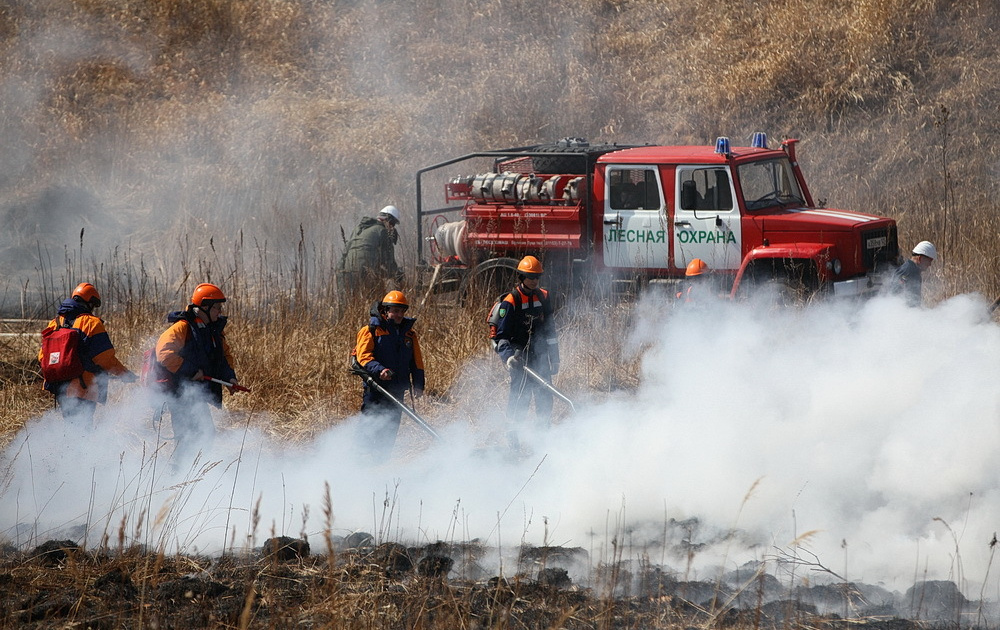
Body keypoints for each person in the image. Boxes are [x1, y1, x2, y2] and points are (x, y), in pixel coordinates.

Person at [151, 283, 239, 464]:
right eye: (217, 308)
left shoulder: (213, 332)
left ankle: (189, 476)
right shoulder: (182, 328)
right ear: (204, 307)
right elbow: (165, 354)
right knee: (189, 438)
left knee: (204, 435)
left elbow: (222, 358)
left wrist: (229, 377)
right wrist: (191, 372)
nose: (219, 312)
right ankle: (177, 478)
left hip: (195, 397)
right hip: (180, 394)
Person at [38, 282, 136, 425]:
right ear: (90, 303)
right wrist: (125, 374)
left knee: (71, 429)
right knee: (82, 432)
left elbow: (42, 356)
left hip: (60, 388)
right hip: (83, 388)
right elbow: (105, 358)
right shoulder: (91, 323)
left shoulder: (54, 323)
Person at [493, 256, 560, 444]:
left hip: (541, 357)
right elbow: (502, 337)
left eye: (537, 277)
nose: (534, 280)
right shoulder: (511, 301)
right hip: (519, 358)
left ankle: (542, 441)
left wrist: (555, 358)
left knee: (545, 398)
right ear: (521, 277)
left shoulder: (543, 296)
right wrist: (508, 359)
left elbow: (550, 331)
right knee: (519, 400)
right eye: (530, 276)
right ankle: (513, 442)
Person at [353, 290, 425, 462]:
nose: (399, 314)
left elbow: (417, 362)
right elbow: (364, 356)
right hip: (376, 388)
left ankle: (382, 462)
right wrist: (380, 370)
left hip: (398, 388)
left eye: (402, 311)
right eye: (395, 310)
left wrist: (418, 384)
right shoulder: (371, 330)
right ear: (385, 311)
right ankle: (361, 460)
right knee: (371, 423)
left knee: (391, 426)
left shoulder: (409, 334)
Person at [338, 205, 404, 298]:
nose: (392, 228)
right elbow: (389, 263)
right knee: (375, 303)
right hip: (365, 275)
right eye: (393, 224)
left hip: (345, 273)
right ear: (389, 220)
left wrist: (339, 273)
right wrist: (398, 276)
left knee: (349, 304)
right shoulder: (382, 231)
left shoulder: (358, 229)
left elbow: (345, 254)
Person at [888, 240, 937, 307]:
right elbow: (896, 297)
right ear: (920, 258)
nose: (930, 264)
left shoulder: (912, 270)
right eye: (929, 261)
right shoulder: (908, 272)